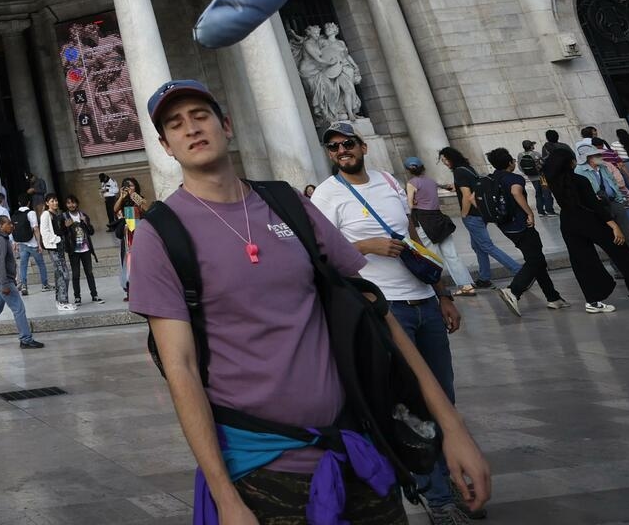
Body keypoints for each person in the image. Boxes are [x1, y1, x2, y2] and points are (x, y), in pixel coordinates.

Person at [131, 80, 492, 525]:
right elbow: (180, 369)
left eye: (200, 115)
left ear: (226, 125)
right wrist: (225, 498)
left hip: (357, 445)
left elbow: (374, 314)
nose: (191, 129)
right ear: (166, 146)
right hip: (260, 471)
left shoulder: (287, 204)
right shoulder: (159, 235)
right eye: (175, 124)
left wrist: (451, 427)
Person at [311, 123, 474, 523]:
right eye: (333, 147)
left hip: (423, 300)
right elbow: (318, 253)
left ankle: (452, 475)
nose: (341, 150)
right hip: (384, 308)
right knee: (414, 402)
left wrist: (443, 292)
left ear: (363, 146)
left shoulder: (388, 181)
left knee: (444, 397)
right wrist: (362, 246)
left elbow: (412, 237)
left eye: (347, 143)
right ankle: (438, 499)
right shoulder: (328, 195)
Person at [550, 141, 629, 313]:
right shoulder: (580, 180)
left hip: (568, 223)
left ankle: (593, 301)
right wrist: (613, 225)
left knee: (582, 262)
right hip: (591, 221)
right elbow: (594, 205)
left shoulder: (555, 183)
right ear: (571, 163)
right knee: (624, 256)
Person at [480, 148, 565, 314]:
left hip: (505, 226)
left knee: (535, 259)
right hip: (521, 224)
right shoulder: (514, 178)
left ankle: (553, 297)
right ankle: (513, 290)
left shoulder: (491, 178)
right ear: (510, 162)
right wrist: (529, 213)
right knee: (536, 260)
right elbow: (516, 192)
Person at [440, 147, 522, 289]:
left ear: (451, 158)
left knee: (486, 245)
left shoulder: (459, 172)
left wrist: (464, 214)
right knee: (478, 246)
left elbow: (466, 195)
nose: (445, 163)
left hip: (472, 214)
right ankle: (484, 278)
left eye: (445, 160)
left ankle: (518, 271)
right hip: (480, 211)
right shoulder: (467, 168)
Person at [0, 210, 44, 351]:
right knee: (19, 309)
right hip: (0, 281)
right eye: (8, 223)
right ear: (0, 225)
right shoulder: (0, 241)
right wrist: (5, 283)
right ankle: (26, 339)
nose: (12, 226)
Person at [403, 156, 475, 295]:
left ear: (408, 170)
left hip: (424, 221)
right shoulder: (431, 181)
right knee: (452, 255)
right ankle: (466, 286)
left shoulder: (412, 183)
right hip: (439, 219)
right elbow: (444, 188)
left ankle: (436, 289)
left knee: (430, 256)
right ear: (423, 167)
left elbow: (410, 205)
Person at [57, 194, 102, 303]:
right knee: (76, 274)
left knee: (89, 273)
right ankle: (77, 297)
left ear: (77, 203)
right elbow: (60, 233)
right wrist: (65, 227)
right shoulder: (64, 217)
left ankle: (94, 295)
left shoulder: (83, 215)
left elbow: (91, 232)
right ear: (66, 205)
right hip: (74, 250)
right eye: (68, 203)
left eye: (73, 202)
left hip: (86, 249)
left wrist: (85, 222)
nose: (71, 205)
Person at [39, 193, 74, 310]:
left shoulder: (57, 214)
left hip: (59, 246)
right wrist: (57, 240)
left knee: (60, 274)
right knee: (63, 274)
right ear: (47, 203)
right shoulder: (46, 214)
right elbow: (45, 232)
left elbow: (60, 229)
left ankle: (61, 301)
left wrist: (66, 227)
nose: (55, 203)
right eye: (52, 201)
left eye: (56, 200)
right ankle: (62, 301)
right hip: (54, 247)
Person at [115, 177, 148, 297]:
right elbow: (115, 209)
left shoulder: (138, 198)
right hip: (128, 233)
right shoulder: (123, 201)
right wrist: (121, 196)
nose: (129, 188)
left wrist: (133, 194)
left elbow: (146, 208)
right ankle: (130, 287)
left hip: (140, 230)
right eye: (127, 186)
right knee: (128, 259)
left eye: (132, 185)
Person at [15, 193, 52, 292]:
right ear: (29, 203)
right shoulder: (31, 213)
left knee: (23, 265)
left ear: (19, 203)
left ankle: (24, 286)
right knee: (41, 264)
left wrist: (15, 243)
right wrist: (39, 244)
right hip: (33, 244)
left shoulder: (15, 214)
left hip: (22, 244)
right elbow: (35, 228)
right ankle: (44, 284)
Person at [517, 141, 554, 216]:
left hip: (532, 177)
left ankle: (540, 211)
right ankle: (549, 210)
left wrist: (527, 173)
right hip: (541, 176)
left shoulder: (520, 155)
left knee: (538, 193)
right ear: (530, 146)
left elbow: (520, 167)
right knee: (546, 193)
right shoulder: (536, 154)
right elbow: (542, 163)